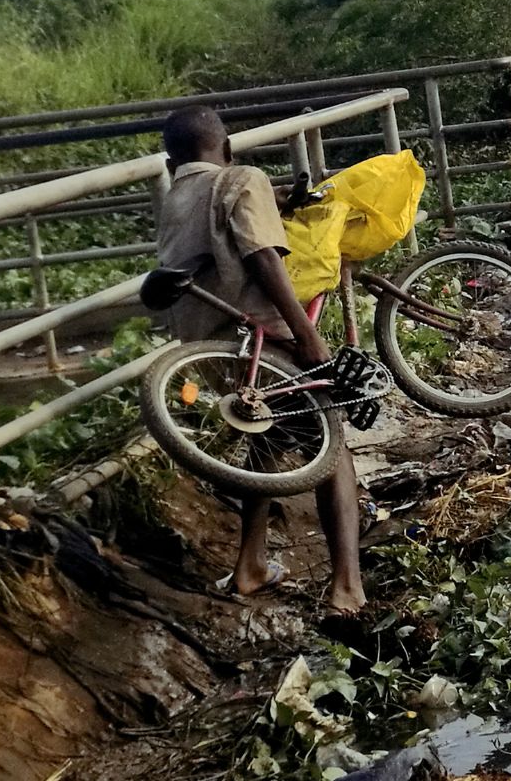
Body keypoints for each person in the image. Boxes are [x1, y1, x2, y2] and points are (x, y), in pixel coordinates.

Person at [155, 105, 366, 614]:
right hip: (259, 340)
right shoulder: (241, 176)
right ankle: (347, 588)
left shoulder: (175, 198)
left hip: (208, 352)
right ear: (227, 148)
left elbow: (220, 209)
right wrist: (306, 333)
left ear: (170, 160)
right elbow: (263, 255)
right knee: (332, 449)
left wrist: (278, 198)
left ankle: (250, 565)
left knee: (269, 446)